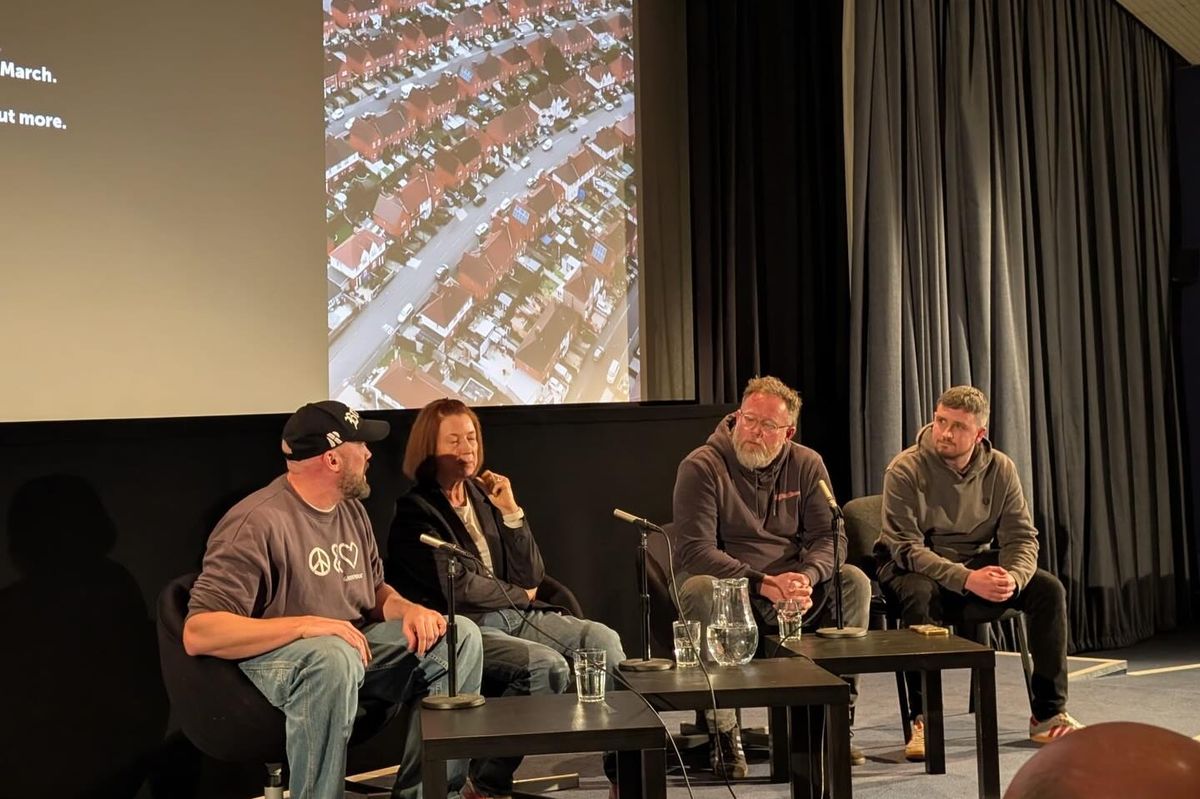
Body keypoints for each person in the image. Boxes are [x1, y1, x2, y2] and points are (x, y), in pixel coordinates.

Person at [184, 400, 484, 799]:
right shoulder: (256, 522)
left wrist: (409, 609)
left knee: (457, 635)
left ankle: (425, 794)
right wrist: (308, 625)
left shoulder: (351, 512)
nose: (369, 453)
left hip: (352, 647)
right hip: (280, 657)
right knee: (331, 654)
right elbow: (199, 632)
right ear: (332, 460)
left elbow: (375, 591)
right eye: (360, 446)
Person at [387, 398, 627, 798]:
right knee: (545, 667)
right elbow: (461, 586)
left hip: (517, 614)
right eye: (454, 441)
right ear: (429, 447)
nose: (467, 448)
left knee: (602, 640)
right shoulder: (416, 512)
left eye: (471, 438)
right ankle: (487, 784)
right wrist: (520, 593)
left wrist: (512, 512)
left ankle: (623, 774)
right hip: (466, 626)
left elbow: (531, 574)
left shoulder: (484, 497)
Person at [672, 376, 872, 776]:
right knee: (699, 588)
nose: (754, 432)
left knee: (853, 581)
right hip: (731, 587)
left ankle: (836, 724)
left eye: (767, 426)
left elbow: (829, 537)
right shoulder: (701, 466)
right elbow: (695, 551)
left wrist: (807, 578)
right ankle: (724, 733)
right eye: (748, 419)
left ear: (788, 432)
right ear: (736, 417)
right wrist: (763, 583)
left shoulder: (807, 464)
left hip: (793, 587)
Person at [877, 385, 1085, 763]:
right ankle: (924, 719)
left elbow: (1022, 537)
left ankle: (1047, 713)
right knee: (919, 595)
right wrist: (967, 579)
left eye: (957, 426)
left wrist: (1014, 577)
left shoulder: (1000, 468)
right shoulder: (905, 468)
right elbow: (905, 547)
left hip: (974, 561)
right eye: (941, 421)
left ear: (979, 434)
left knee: (1048, 590)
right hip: (915, 565)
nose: (944, 432)